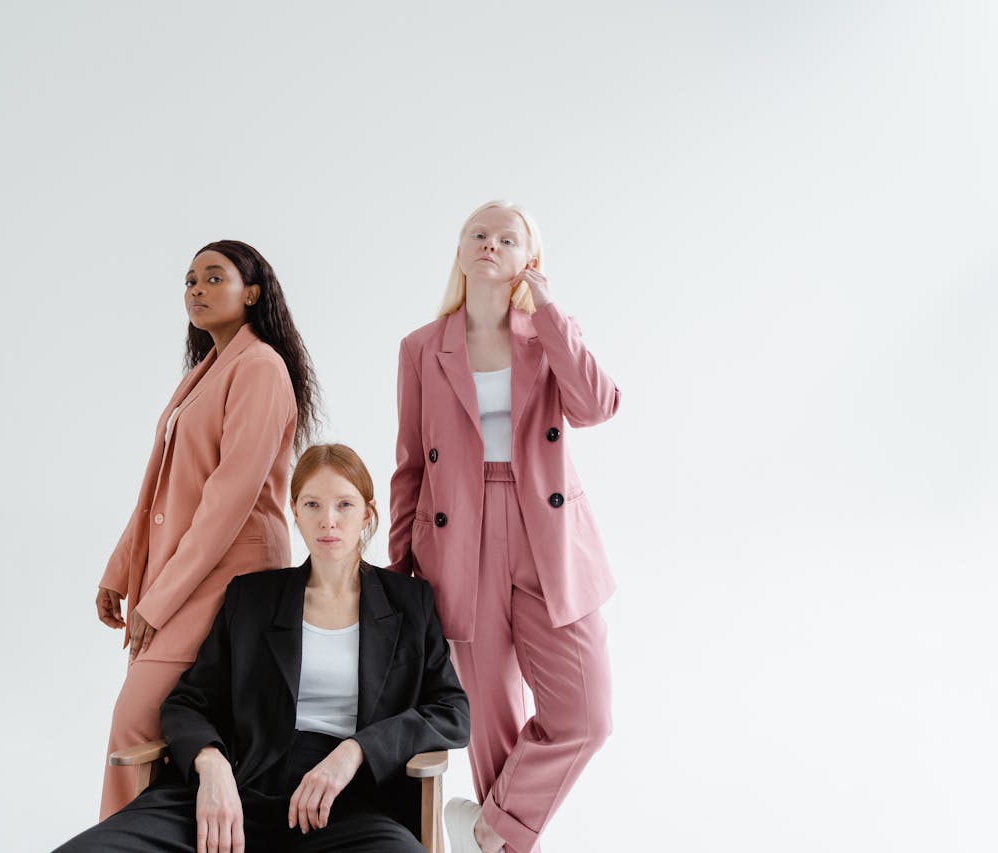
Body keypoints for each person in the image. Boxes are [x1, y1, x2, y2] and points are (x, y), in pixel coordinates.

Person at [58, 443, 470, 853]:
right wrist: (211, 764)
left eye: (344, 504)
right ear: (294, 511)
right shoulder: (252, 598)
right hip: (240, 786)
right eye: (312, 504)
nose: (328, 521)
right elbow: (188, 701)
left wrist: (357, 750)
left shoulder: (409, 602)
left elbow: (452, 711)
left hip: (351, 805)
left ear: (367, 512)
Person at [388, 201, 620, 853]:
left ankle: (489, 831)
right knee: (494, 721)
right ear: (460, 252)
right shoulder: (420, 349)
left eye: (506, 237)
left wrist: (548, 311)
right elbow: (409, 466)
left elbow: (598, 405)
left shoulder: (547, 337)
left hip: (546, 531)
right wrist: (399, 579)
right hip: (456, 538)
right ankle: (504, 842)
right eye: (477, 233)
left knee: (586, 713)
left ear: (528, 259)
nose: (489, 243)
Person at [94, 240, 321, 818]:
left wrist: (160, 601)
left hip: (228, 581)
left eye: (213, 278)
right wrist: (122, 572)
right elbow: (158, 491)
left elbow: (228, 500)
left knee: (135, 726)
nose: (196, 289)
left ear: (252, 292)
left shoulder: (262, 368)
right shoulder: (204, 372)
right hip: (178, 574)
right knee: (166, 739)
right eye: (190, 280)